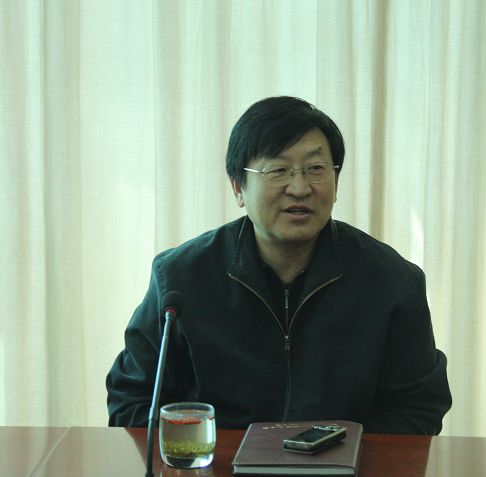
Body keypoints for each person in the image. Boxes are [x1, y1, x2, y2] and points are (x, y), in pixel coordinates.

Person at [106, 96, 452, 434]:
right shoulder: (181, 279)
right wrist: (209, 453)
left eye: (316, 169)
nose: (299, 188)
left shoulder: (391, 282)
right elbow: (132, 401)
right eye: (277, 170)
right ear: (238, 187)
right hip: (218, 464)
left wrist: (339, 453)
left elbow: (419, 408)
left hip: (345, 463)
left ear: (336, 183)